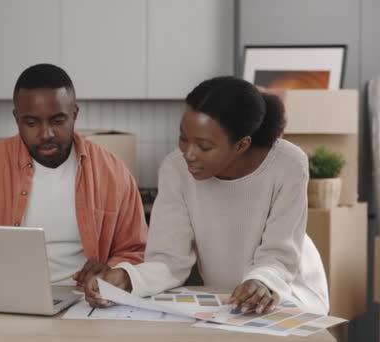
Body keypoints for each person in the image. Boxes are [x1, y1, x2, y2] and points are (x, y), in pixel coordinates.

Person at [84, 76, 329, 315]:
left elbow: (279, 253)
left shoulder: (288, 164)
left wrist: (262, 282)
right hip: (225, 299)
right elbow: (170, 260)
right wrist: (127, 277)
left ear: (242, 145)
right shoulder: (175, 169)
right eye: (183, 138)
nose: (189, 154)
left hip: (285, 289)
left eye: (204, 146)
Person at [0, 63, 148, 287]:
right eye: (31, 123)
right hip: (3, 301)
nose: (46, 134)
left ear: (74, 114)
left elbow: (136, 250)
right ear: (17, 118)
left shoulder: (113, 174)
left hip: (84, 302)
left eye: (57, 121)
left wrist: (113, 271)